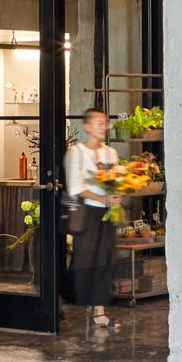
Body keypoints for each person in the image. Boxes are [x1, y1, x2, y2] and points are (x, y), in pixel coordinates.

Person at [66, 107, 122, 330]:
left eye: (105, 123)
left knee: (105, 261)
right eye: (99, 123)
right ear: (87, 126)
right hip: (87, 213)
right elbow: (75, 186)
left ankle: (99, 313)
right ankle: (58, 302)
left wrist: (119, 191)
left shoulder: (111, 153)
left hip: (107, 215)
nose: (104, 127)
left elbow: (116, 179)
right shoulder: (77, 152)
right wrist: (102, 196)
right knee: (84, 261)